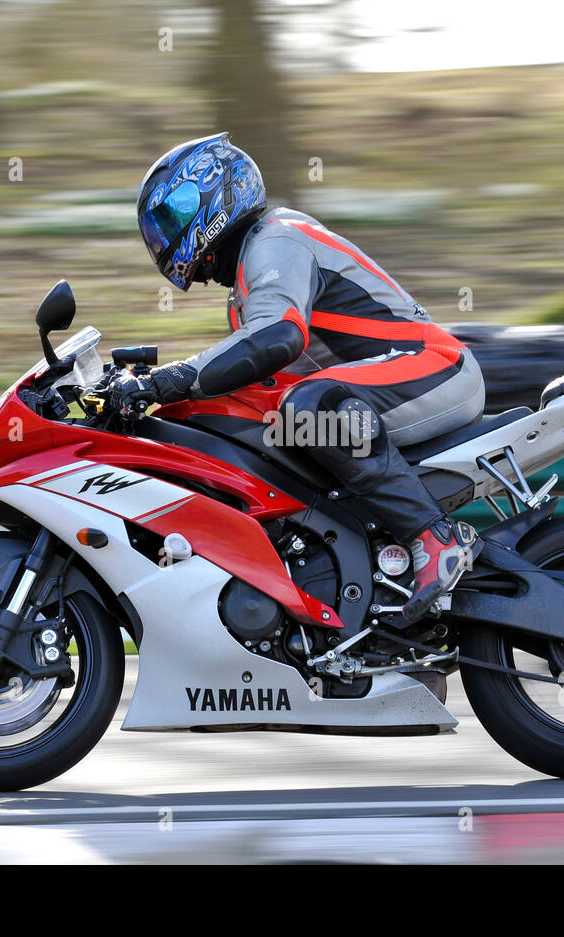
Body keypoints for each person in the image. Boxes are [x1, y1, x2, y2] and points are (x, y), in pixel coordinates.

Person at [116, 132, 483, 622]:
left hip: (435, 367)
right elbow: (258, 372)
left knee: (310, 410)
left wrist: (168, 379)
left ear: (213, 194)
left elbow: (277, 339)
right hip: (381, 389)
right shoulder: (251, 274)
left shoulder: (275, 239)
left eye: (171, 219)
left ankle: (434, 540)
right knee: (271, 421)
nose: (164, 238)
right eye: (157, 229)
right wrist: (159, 393)